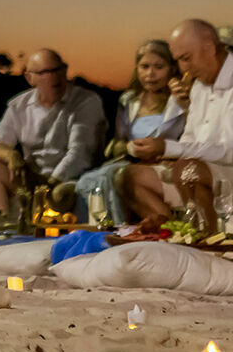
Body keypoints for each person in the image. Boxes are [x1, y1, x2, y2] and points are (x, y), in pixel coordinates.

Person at [120, 19, 233, 233]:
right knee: (131, 177)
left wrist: (168, 148)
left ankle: (203, 239)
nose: (183, 68)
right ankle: (170, 230)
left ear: (209, 48)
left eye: (186, 58)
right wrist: (168, 157)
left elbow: (231, 153)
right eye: (178, 60)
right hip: (206, 174)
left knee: (189, 171)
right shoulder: (199, 87)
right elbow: (190, 139)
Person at [0, 49, 106, 214]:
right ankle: (0, 231)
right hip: (33, 179)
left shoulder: (86, 102)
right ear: (30, 78)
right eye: (45, 72)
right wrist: (11, 156)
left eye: (57, 70)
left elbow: (79, 154)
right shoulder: (19, 106)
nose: (54, 76)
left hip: (71, 180)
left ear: (65, 70)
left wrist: (49, 185)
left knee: (61, 189)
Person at [74, 39, 186, 226]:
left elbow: (188, 137)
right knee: (89, 181)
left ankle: (147, 228)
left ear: (171, 69)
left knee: (121, 177)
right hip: (134, 160)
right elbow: (120, 141)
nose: (150, 74)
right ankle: (102, 232)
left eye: (159, 67)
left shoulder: (178, 101)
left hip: (167, 162)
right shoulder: (129, 101)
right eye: (145, 67)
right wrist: (129, 147)